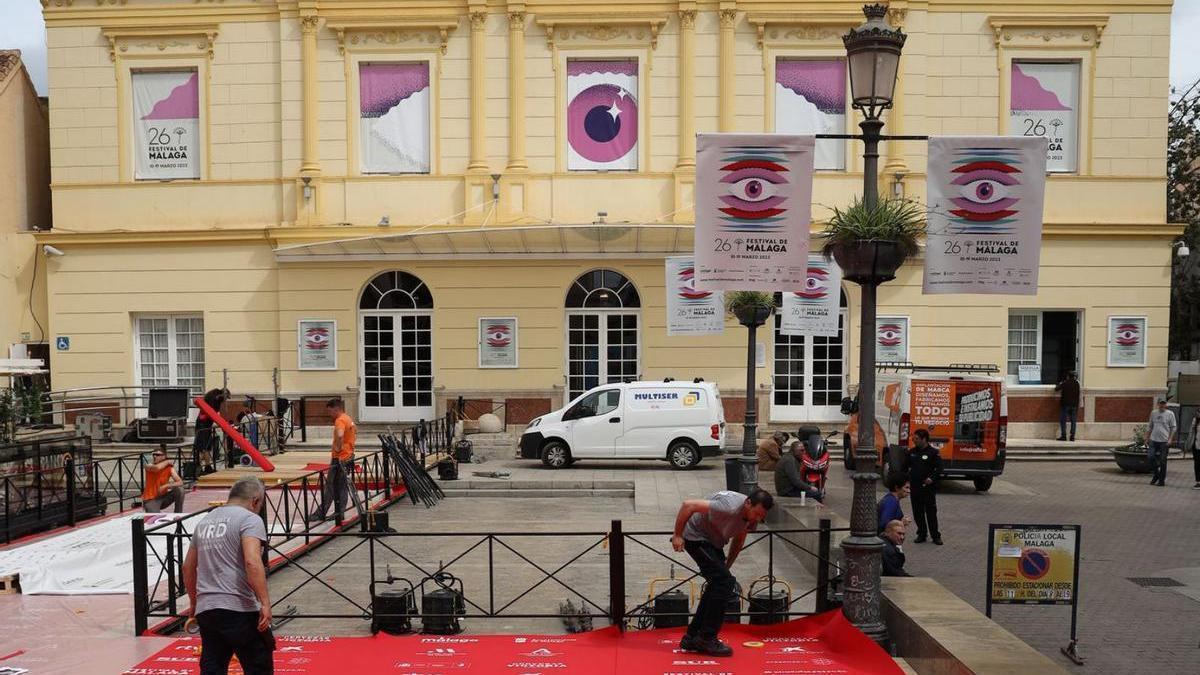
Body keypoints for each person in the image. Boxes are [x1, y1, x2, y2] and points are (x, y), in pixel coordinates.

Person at [182, 477, 273, 675]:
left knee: (212, 666)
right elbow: (252, 561)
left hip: (207, 609)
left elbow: (188, 567)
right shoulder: (249, 519)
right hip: (238, 607)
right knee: (258, 663)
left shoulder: (205, 521)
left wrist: (194, 603)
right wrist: (265, 602)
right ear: (255, 501)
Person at [671, 489, 774, 657]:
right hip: (696, 536)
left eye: (761, 517)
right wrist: (677, 535)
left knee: (720, 583)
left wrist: (727, 565)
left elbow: (740, 538)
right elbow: (688, 505)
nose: (757, 519)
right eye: (756, 514)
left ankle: (692, 637)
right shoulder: (729, 507)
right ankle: (707, 638)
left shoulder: (751, 516)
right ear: (748, 503)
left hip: (713, 541)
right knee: (724, 583)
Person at [306, 398, 358, 524]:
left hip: (339, 458)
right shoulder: (348, 419)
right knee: (342, 486)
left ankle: (321, 513)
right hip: (348, 456)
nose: (329, 415)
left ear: (336, 409)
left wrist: (338, 447)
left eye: (330, 412)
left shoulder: (340, 420)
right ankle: (340, 512)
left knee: (330, 486)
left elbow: (340, 435)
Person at [903, 429, 943, 545]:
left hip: (928, 488)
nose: (914, 441)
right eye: (913, 439)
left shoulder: (933, 452)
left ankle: (935, 536)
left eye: (916, 439)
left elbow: (939, 468)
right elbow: (904, 468)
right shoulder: (911, 452)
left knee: (931, 512)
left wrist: (932, 478)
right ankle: (921, 533)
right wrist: (905, 481)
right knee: (917, 512)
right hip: (915, 487)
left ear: (924, 439)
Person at [194, 388, 228, 474]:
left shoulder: (211, 401)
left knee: (206, 447)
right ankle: (199, 467)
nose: (225, 400)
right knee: (203, 447)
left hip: (205, 426)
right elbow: (211, 415)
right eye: (225, 398)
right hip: (203, 426)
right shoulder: (213, 402)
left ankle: (205, 466)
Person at [142, 446, 185, 513]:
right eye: (154, 454)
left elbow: (180, 482)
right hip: (150, 499)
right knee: (155, 518)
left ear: (163, 456)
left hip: (163, 497)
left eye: (158, 455)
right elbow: (157, 468)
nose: (155, 456)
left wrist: (166, 486)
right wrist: (167, 461)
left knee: (180, 490)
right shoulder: (149, 465)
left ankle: (178, 515)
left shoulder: (169, 468)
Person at [1147, 399, 1176, 487]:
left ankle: (1161, 480)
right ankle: (1156, 474)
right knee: (1150, 457)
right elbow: (1150, 426)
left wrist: (1170, 439)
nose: (1162, 405)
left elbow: (1173, 427)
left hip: (1164, 441)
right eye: (1161, 403)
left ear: (1166, 404)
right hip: (1153, 439)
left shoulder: (1170, 414)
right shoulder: (1153, 413)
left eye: (1164, 403)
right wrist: (1146, 437)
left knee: (1163, 461)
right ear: (1158, 404)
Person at [1055, 371, 1081, 441]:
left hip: (1065, 404)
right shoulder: (1077, 384)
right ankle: (1072, 436)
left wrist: (1059, 384)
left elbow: (1056, 389)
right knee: (1073, 420)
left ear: (1068, 376)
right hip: (1074, 405)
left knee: (1063, 420)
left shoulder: (1065, 383)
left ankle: (1064, 436)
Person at [1190, 414, 1200, 490]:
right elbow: (1191, 432)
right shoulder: (1196, 420)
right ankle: (1198, 482)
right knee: (1197, 464)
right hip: (1196, 445)